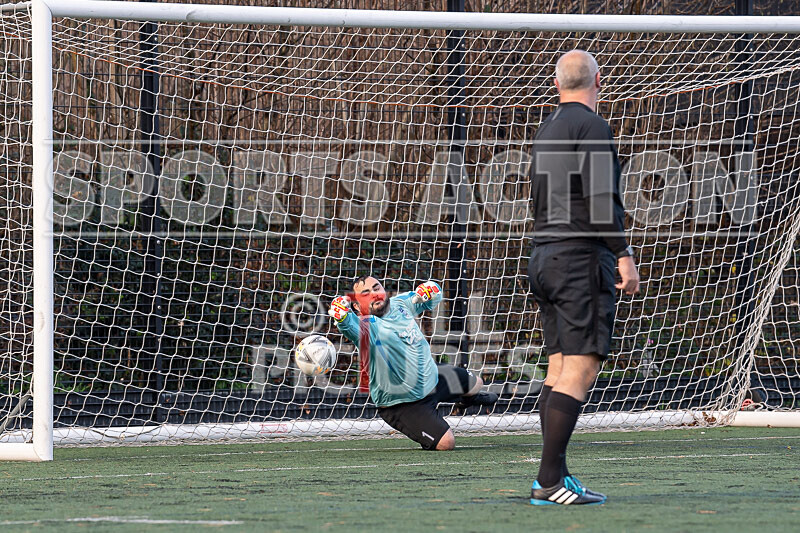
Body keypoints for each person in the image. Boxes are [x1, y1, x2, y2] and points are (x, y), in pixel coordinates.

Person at [527, 49, 640, 505]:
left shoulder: (548, 128)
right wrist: (623, 254)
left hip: (544, 256)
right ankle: (549, 481)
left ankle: (558, 476)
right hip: (577, 258)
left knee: (558, 369)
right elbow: (599, 197)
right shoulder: (592, 126)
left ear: (557, 85)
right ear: (599, 81)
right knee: (581, 367)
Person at [328, 275, 498, 450]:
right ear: (356, 306)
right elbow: (348, 326)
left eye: (376, 288)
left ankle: (466, 400)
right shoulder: (365, 327)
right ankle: (427, 422)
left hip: (433, 378)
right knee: (447, 444)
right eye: (365, 293)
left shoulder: (399, 303)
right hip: (403, 403)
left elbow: (430, 297)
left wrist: (431, 288)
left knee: (477, 384)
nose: (374, 294)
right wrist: (341, 316)